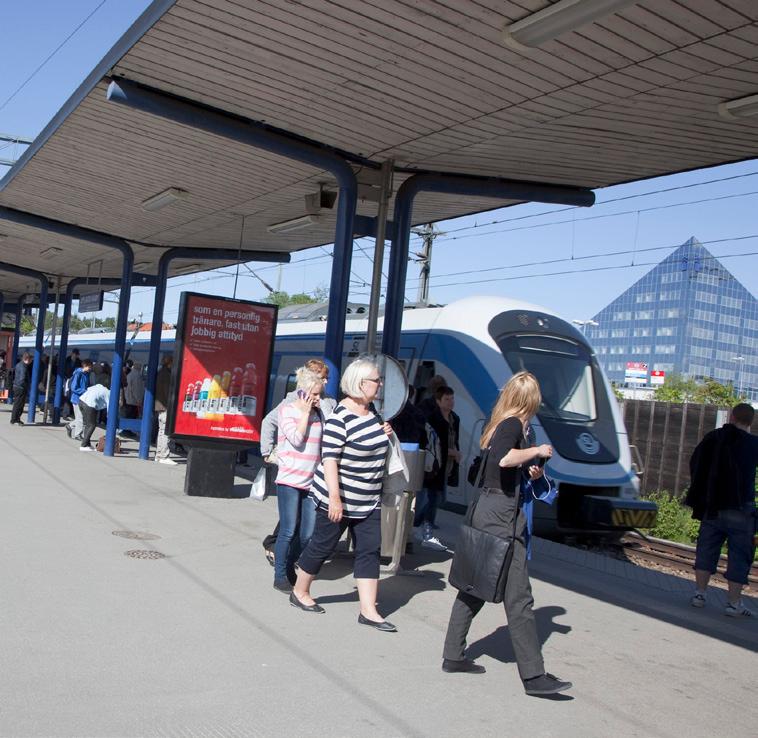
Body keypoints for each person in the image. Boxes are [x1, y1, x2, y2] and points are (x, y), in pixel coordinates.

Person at [442, 371, 572, 697]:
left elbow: (502, 465)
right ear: (530, 400)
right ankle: (534, 677)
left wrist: (532, 468)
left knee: (474, 587)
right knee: (519, 599)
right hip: (502, 518)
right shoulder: (513, 425)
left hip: (488, 511)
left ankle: (453, 654)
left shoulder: (503, 424)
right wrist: (536, 450)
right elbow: (504, 458)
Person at [290, 356, 396, 631]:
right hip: (338, 497)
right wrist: (335, 498)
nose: (380, 384)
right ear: (360, 383)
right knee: (323, 546)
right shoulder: (340, 417)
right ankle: (300, 591)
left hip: (369, 498)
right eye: (376, 380)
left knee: (369, 551)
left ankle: (369, 610)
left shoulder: (374, 414)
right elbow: (329, 459)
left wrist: (385, 432)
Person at [260, 358, 336, 566]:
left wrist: (323, 409)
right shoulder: (291, 401)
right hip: (293, 468)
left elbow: (334, 431)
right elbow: (270, 421)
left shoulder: (329, 402)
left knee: (302, 522)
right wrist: (266, 451)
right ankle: (277, 552)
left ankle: (290, 556)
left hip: (317, 469)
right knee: (291, 522)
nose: (327, 382)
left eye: (327, 378)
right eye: (322, 378)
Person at [686, 403, 757, 617]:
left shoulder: (713, 437)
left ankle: (700, 594)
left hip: (712, 506)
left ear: (732, 416)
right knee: (739, 555)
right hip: (741, 509)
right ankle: (733, 604)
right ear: (750, 421)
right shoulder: (754, 444)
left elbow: (695, 463)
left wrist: (702, 493)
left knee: (706, 548)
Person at [271, 366, 327, 593]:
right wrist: (304, 413)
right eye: (314, 394)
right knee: (287, 530)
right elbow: (295, 438)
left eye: (319, 394)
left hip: (312, 481)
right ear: (302, 392)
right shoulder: (287, 411)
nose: (317, 399)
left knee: (308, 534)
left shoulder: (321, 414)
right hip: (289, 480)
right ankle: (280, 575)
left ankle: (289, 565)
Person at [415, 385, 461, 550]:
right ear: (438, 401)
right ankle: (422, 529)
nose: (451, 402)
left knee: (437, 498)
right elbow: (429, 443)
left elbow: (454, 439)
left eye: (452, 399)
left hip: (445, 467)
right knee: (428, 498)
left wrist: (456, 455)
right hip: (432, 465)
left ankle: (423, 529)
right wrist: (451, 452)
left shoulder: (455, 419)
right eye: (447, 399)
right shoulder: (432, 418)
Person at [154, 355, 176, 465]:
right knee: (166, 431)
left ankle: (159, 455)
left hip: (160, 406)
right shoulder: (166, 375)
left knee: (161, 431)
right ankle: (164, 455)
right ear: (170, 363)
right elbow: (168, 392)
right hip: (165, 406)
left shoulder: (160, 372)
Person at [77, 383, 110, 452]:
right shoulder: (109, 393)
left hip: (81, 401)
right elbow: (109, 409)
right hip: (89, 404)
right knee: (92, 425)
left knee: (87, 424)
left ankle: (87, 444)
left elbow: (88, 389)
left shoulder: (98, 386)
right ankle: (83, 445)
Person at [66, 359, 93, 440]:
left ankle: (70, 426)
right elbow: (74, 387)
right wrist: (85, 391)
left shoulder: (86, 374)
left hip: (82, 398)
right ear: (85, 366)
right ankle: (78, 434)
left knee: (80, 417)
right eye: (89, 367)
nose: (90, 369)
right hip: (77, 399)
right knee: (80, 417)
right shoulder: (78, 374)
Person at [10, 352, 33, 425]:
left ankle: (15, 419)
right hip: (21, 388)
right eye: (31, 360)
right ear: (27, 359)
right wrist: (25, 386)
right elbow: (22, 378)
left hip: (17, 386)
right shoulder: (23, 367)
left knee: (17, 404)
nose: (31, 361)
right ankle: (15, 419)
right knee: (19, 404)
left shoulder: (19, 364)